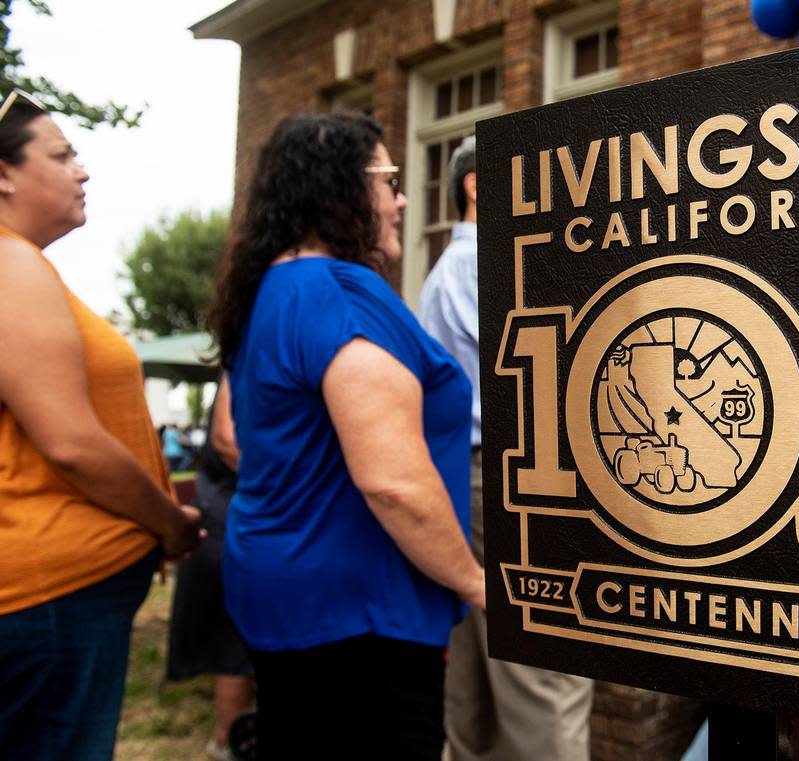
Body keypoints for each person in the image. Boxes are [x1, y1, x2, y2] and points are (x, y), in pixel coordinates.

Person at [208, 112, 485, 760]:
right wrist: (476, 581)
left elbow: (234, 436)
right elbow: (393, 482)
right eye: (388, 180)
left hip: (285, 597)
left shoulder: (269, 289)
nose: (401, 199)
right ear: (341, 189)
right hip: (360, 616)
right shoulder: (340, 294)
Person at [0, 90, 202, 760]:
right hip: (52, 602)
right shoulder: (10, 263)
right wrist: (169, 522)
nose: (82, 171)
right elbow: (72, 443)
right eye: (62, 156)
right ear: (4, 174)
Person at [419, 135, 594, 761]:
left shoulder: (449, 272)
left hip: (473, 478)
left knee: (478, 679)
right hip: (511, 476)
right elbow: (536, 383)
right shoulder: (481, 266)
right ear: (476, 186)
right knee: (548, 666)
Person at [166, 374, 254, 761]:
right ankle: (225, 742)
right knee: (232, 637)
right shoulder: (244, 356)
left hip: (244, 508)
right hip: (233, 509)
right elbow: (228, 440)